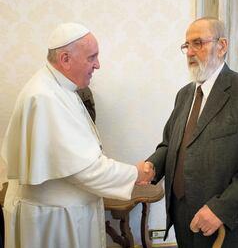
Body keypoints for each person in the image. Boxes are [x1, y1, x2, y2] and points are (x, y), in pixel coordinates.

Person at [0, 23, 154, 248]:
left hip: (63, 213)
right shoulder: (45, 98)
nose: (98, 65)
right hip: (54, 221)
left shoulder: (61, 87)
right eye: (92, 57)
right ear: (65, 59)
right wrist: (135, 173)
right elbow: (85, 170)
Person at [142, 17, 238, 248]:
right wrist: (152, 167)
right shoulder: (184, 94)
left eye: (198, 43)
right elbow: (170, 144)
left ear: (222, 45)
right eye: (187, 45)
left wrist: (221, 209)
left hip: (229, 223)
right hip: (184, 215)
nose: (190, 52)